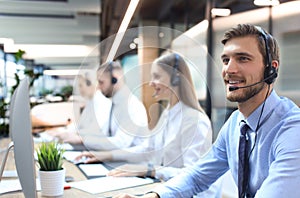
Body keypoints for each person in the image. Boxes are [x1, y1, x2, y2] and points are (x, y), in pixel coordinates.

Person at [114, 24, 300, 198]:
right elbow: (197, 175)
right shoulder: (235, 123)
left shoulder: (292, 130)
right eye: (226, 60)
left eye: (243, 58)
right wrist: (155, 196)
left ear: (271, 69)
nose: (229, 69)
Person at [75, 53, 221, 197]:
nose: (151, 83)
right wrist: (104, 156)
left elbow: (193, 175)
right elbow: (148, 148)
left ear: (176, 78)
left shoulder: (194, 120)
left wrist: (150, 170)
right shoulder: (168, 113)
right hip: (166, 187)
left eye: (157, 76)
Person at [76, 61, 148, 150]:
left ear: (115, 79)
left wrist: (83, 140)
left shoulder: (131, 106)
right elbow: (104, 134)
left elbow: (121, 143)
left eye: (101, 82)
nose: (98, 87)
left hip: (133, 162)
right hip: (117, 159)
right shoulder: (115, 103)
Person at [46, 71, 112, 145]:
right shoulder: (91, 103)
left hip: (94, 146)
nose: (80, 90)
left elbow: (97, 131)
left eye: (81, 85)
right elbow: (80, 125)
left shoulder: (103, 103)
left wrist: (70, 134)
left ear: (90, 84)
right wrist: (62, 131)